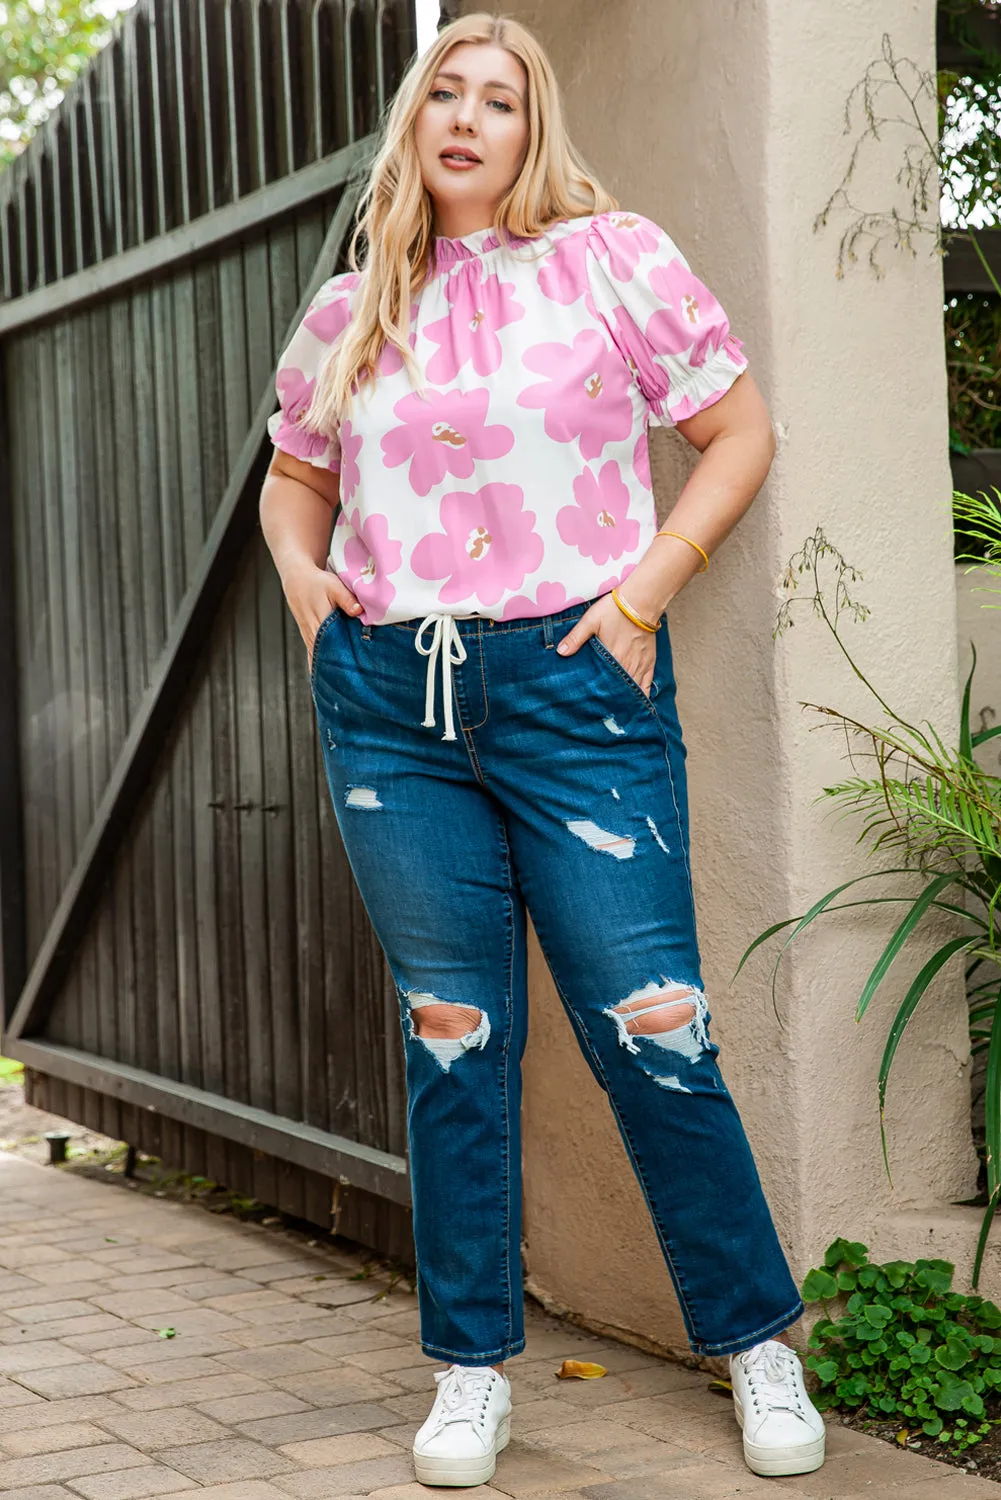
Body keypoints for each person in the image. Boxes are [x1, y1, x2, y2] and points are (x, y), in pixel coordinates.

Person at [259, 10, 826, 1488]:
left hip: (579, 688)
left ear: (531, 127)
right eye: (443, 92)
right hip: (396, 701)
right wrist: (312, 595)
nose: (465, 117)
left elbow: (741, 429)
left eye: (497, 98)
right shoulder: (350, 308)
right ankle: (466, 1369)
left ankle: (758, 1338)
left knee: (656, 1024)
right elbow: (293, 483)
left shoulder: (608, 259)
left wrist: (646, 592)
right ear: (414, 122)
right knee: (455, 1042)